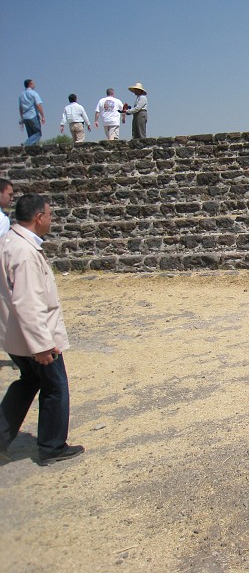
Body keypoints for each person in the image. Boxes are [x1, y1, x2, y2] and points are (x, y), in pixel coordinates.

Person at [0, 195, 83, 466]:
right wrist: (42, 345)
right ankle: (52, 445)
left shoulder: (10, 242)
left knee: (28, 381)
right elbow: (28, 301)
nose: (51, 219)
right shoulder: (24, 252)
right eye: (49, 215)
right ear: (38, 218)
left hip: (15, 335)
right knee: (55, 386)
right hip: (35, 337)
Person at [18, 79, 45, 146]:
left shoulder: (21, 95)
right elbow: (38, 105)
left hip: (25, 117)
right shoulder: (33, 93)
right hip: (33, 115)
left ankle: (30, 150)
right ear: (30, 84)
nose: (34, 85)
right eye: (33, 84)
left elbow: (20, 108)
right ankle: (26, 144)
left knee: (31, 136)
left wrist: (22, 118)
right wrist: (42, 116)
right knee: (38, 133)